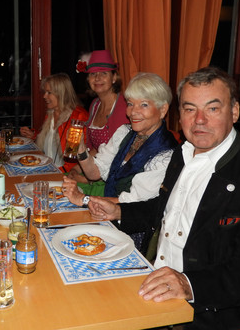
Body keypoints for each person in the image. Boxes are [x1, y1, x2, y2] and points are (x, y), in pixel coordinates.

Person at [88, 67, 240, 329]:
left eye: (213, 108)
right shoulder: (182, 154)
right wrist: (119, 212)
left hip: (211, 315)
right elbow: (165, 209)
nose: (199, 120)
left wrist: (189, 285)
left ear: (234, 112)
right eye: (190, 109)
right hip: (154, 287)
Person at [63, 73, 178, 249]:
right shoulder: (125, 132)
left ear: (163, 110)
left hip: (131, 232)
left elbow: (131, 202)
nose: (133, 112)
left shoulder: (166, 154)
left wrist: (84, 199)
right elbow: (95, 173)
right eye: (130, 104)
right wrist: (80, 149)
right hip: (104, 215)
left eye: (144, 105)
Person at [67, 50, 130, 186]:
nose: (97, 78)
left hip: (114, 180)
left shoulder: (124, 107)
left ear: (114, 78)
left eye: (104, 73)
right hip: (94, 170)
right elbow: (95, 149)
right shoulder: (95, 105)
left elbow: (122, 157)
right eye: (93, 74)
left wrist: (87, 179)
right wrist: (76, 169)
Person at [20, 73, 89, 172]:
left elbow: (77, 158)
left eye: (49, 92)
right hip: (47, 169)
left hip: (65, 174)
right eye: (45, 92)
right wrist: (34, 136)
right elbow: (50, 143)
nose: (44, 96)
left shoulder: (79, 117)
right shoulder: (51, 114)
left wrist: (55, 172)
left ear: (62, 93)